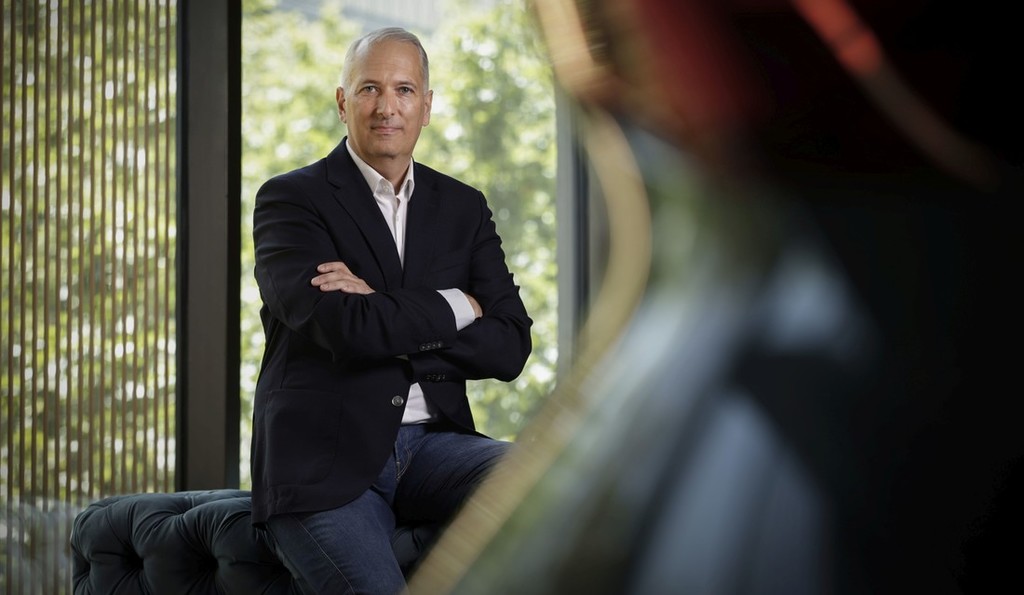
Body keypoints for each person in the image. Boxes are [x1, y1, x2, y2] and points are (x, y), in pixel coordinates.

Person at [248, 26, 533, 594]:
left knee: (554, 493)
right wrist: (459, 304)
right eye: (369, 89)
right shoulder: (290, 200)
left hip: (437, 449)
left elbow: (509, 347)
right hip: (322, 460)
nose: (387, 108)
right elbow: (344, 328)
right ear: (342, 102)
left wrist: (380, 309)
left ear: (426, 106)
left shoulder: (463, 207)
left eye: (404, 90)